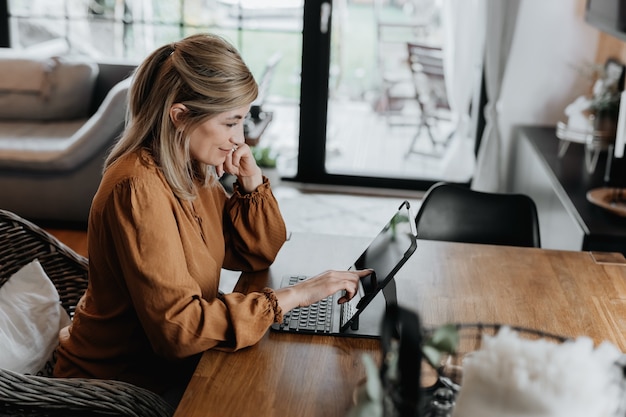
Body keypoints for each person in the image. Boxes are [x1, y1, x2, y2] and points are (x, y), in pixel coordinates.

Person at [52, 32, 369, 404]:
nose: (241, 139)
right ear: (181, 116)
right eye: (231, 122)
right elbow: (179, 332)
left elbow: (254, 254)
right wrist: (297, 295)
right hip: (117, 391)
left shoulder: (192, 169)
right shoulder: (137, 189)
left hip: (169, 367)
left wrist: (251, 185)